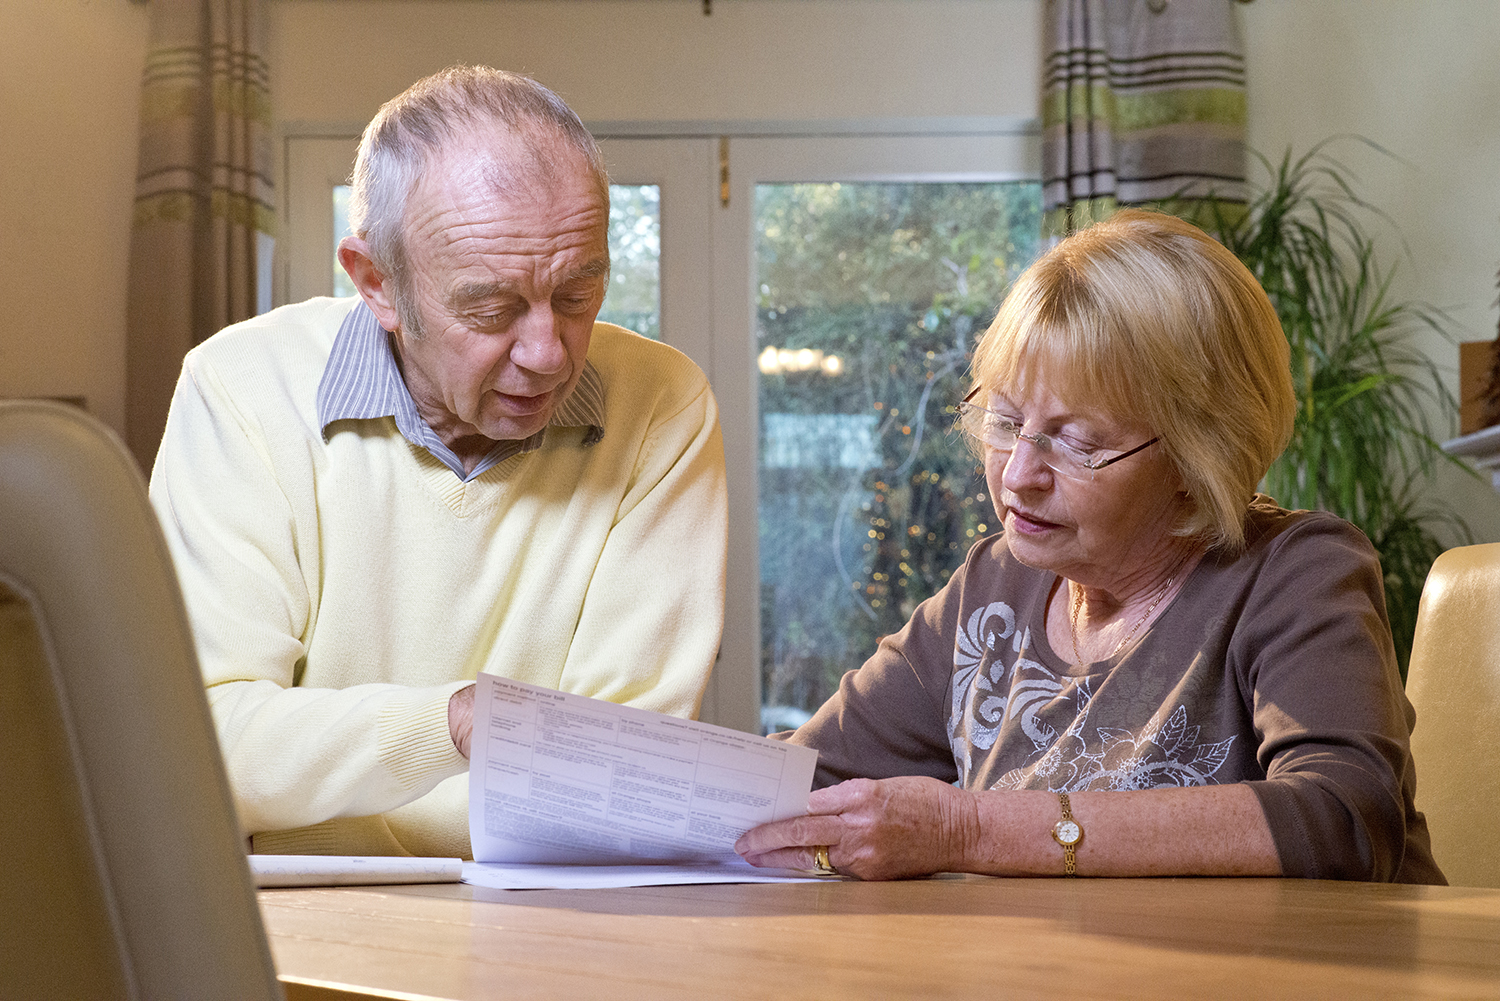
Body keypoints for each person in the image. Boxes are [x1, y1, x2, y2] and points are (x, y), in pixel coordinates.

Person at [735, 209, 1444, 884]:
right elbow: (787, 788)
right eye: (1004, 420)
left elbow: (1346, 816)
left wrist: (968, 830)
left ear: (1199, 459)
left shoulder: (1293, 571)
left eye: (1078, 443)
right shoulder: (991, 591)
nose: (1017, 475)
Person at [149, 66, 727, 858]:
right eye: (490, 309)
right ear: (377, 284)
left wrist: (322, 780)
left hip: (555, 923)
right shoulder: (240, 388)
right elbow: (196, 745)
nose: (547, 353)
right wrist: (457, 723)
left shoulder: (665, 403)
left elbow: (619, 774)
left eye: (576, 296)